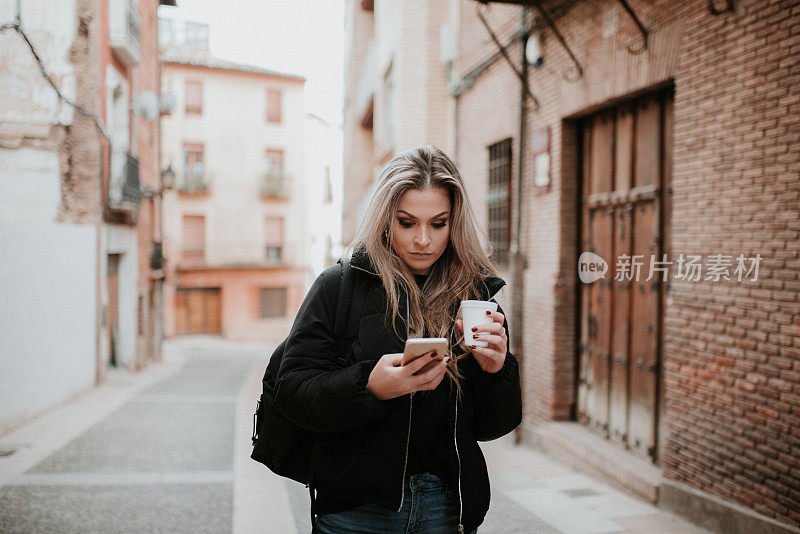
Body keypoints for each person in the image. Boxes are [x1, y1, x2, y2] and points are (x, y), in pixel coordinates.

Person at [274, 145, 522, 534]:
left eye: (438, 224)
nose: (423, 239)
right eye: (407, 222)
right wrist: (369, 386)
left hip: (446, 508)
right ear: (386, 218)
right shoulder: (340, 286)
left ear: (454, 223)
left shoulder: (475, 296)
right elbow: (292, 391)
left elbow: (494, 426)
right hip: (355, 512)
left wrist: (497, 369)